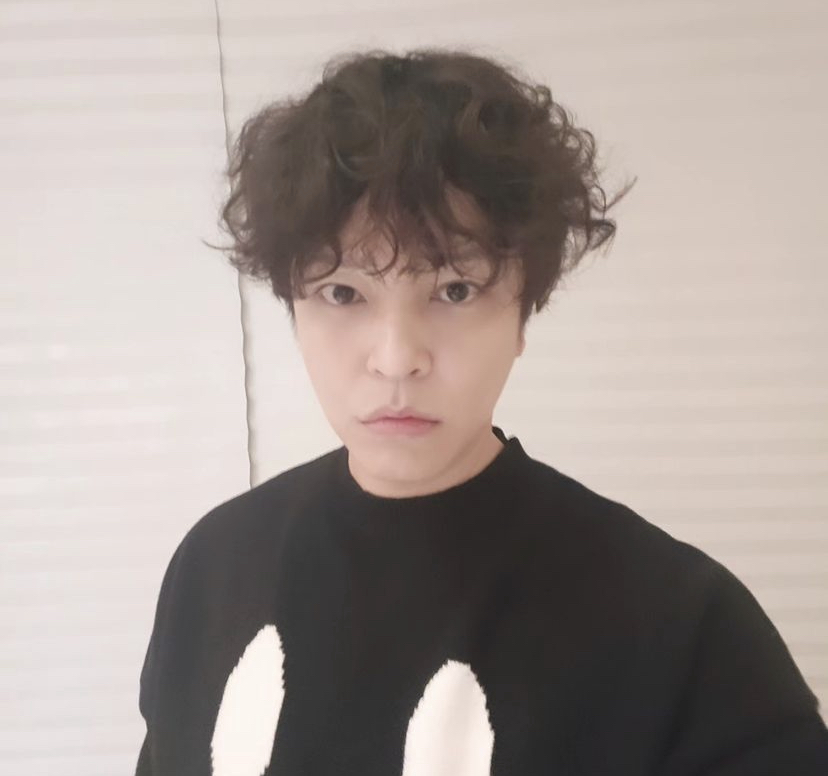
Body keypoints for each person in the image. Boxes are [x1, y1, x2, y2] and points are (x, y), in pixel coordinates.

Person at [135, 47, 828, 775]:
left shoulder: (682, 626)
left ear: (523, 313)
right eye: (343, 293)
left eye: (455, 290)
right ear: (294, 307)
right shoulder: (213, 569)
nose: (397, 358)